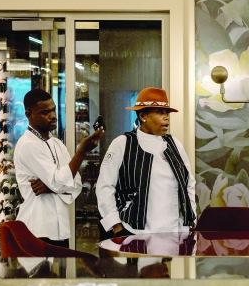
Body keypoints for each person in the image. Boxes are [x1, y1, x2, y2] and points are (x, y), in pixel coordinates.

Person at [96, 87, 196, 237]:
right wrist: (116, 226)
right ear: (143, 116)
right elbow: (104, 186)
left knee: (169, 262)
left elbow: (189, 183)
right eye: (160, 113)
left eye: (167, 113)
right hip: (134, 230)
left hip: (175, 230)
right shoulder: (123, 143)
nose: (166, 118)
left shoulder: (174, 144)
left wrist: (191, 217)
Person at [13, 89, 103, 247]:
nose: (53, 116)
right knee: (42, 272)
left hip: (60, 228)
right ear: (29, 114)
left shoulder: (57, 144)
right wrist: (81, 152)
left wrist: (51, 187)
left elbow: (76, 185)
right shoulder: (28, 145)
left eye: (54, 110)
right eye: (45, 112)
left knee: (61, 272)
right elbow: (60, 182)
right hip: (36, 228)